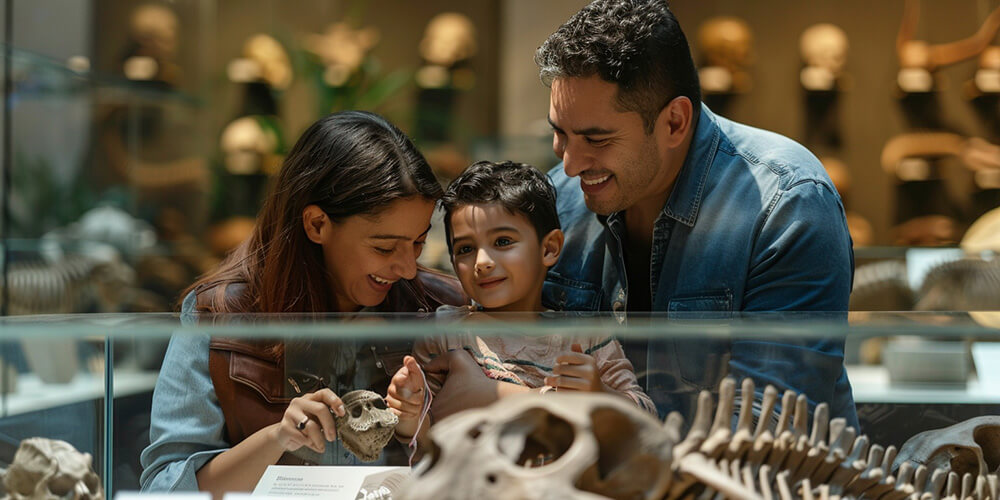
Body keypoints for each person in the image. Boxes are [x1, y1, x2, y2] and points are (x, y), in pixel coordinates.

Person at [534, 0, 858, 428]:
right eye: (560, 133)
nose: (570, 164)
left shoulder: (789, 203)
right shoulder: (558, 198)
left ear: (674, 122)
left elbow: (766, 430)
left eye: (597, 139)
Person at [139, 111, 466, 496]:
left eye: (418, 242)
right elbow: (164, 488)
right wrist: (275, 439)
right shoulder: (218, 314)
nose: (408, 268)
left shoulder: (443, 307)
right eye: (384, 246)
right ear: (316, 224)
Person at [385, 161, 654, 447]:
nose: (483, 263)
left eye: (502, 242)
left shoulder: (586, 335)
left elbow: (645, 420)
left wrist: (600, 394)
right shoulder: (446, 334)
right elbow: (428, 440)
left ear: (549, 248)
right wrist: (409, 415)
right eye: (465, 249)